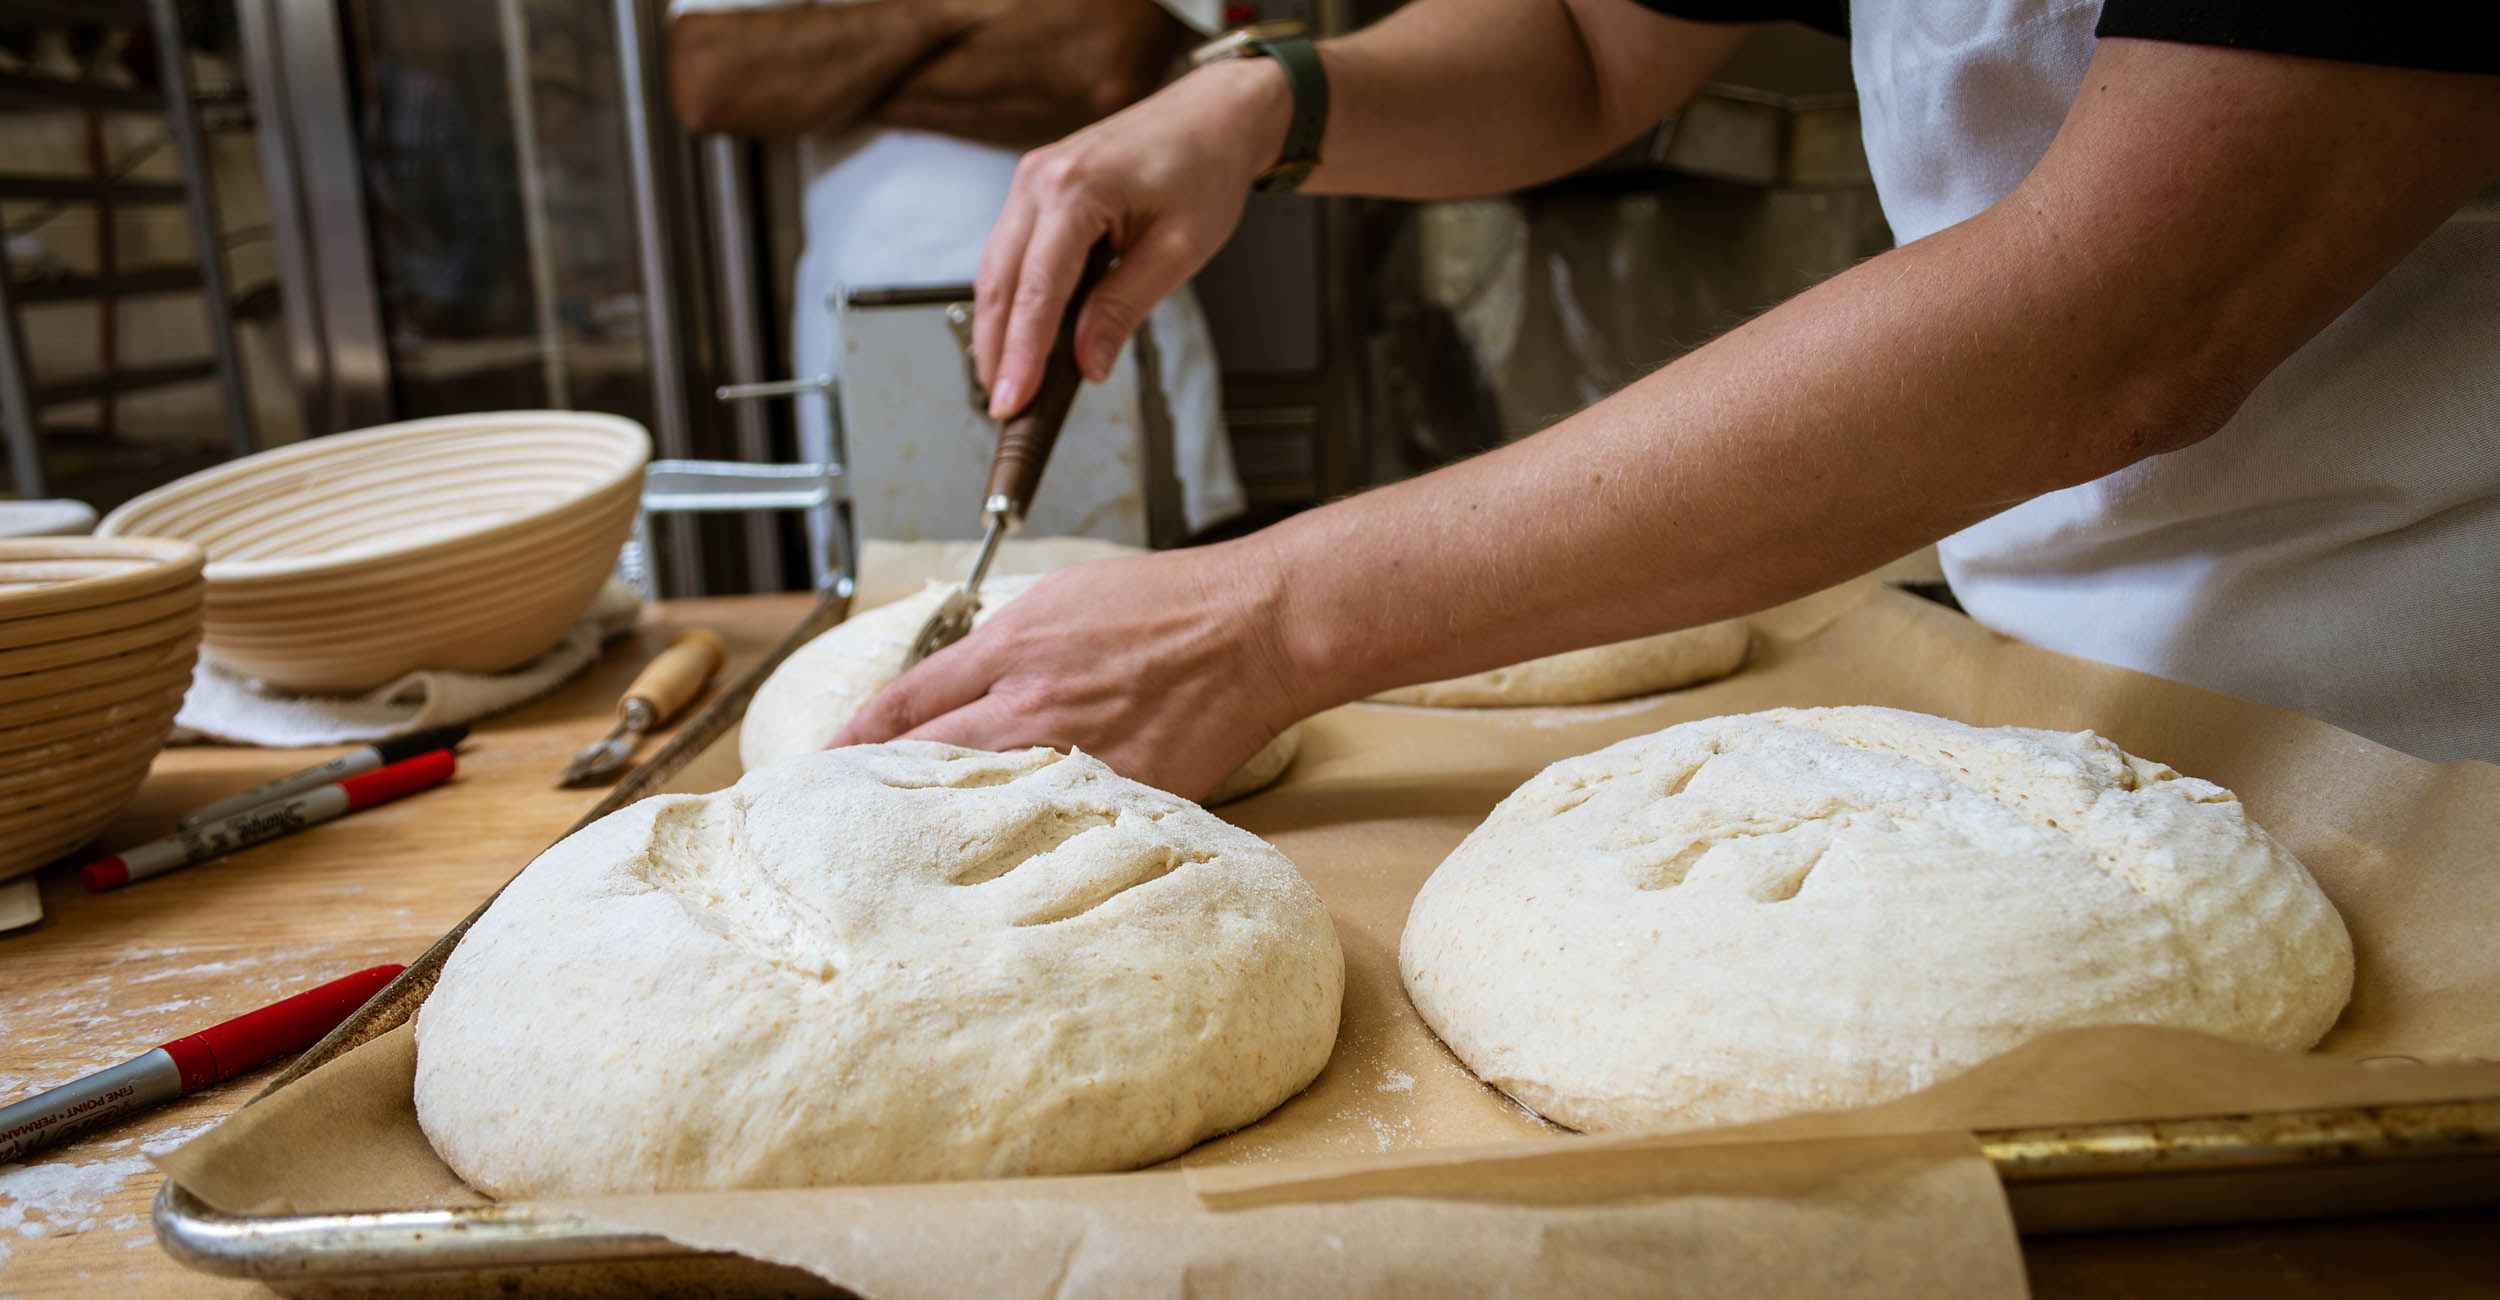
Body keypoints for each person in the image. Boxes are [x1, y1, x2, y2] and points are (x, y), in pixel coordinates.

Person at [833, 0, 2500, 796]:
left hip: (2426, 719)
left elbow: (2132, 316)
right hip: (2059, 714)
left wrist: (1266, 616)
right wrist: (1268, 104)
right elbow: (1586, 47)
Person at [666, 0, 1246, 540]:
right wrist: (963, 8)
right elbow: (713, 78)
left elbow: (1100, 65)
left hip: (1111, 332)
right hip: (858, 355)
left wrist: (835, 81)